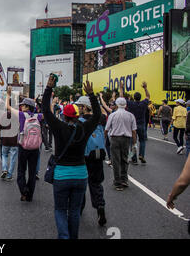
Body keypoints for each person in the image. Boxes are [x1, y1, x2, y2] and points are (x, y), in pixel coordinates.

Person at [42, 76, 101, 239]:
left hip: (61, 175)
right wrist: (91, 95)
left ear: (64, 116)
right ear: (77, 115)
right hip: (81, 174)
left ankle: (64, 237)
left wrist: (48, 88)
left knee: (60, 210)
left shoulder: (59, 126)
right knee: (74, 211)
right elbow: (97, 116)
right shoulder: (85, 127)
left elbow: (46, 111)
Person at [6, 87, 43, 202]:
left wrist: (8, 94)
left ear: (27, 107)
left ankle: (24, 190)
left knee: (21, 170)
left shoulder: (22, 115)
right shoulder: (38, 116)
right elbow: (49, 113)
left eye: (23, 105)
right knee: (32, 172)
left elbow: (7, 107)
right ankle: (30, 195)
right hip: (35, 148)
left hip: (23, 146)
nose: (21, 106)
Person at [75, 96, 107, 226]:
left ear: (84, 107)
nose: (78, 108)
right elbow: (104, 112)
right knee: (96, 184)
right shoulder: (99, 119)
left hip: (84, 156)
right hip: (98, 155)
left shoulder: (80, 122)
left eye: (80, 106)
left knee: (81, 184)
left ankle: (79, 208)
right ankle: (100, 206)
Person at [105, 97, 137, 191]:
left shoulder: (113, 115)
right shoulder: (130, 115)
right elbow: (134, 131)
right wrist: (134, 144)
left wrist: (103, 140)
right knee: (124, 159)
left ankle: (117, 182)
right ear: (125, 105)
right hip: (126, 139)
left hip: (115, 138)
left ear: (117, 105)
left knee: (116, 161)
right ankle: (124, 179)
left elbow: (106, 129)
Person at [120, 80, 150, 164]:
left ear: (134, 97)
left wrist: (121, 88)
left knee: (133, 142)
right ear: (140, 98)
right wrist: (145, 88)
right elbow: (148, 96)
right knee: (142, 140)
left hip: (132, 125)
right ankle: (142, 155)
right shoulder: (144, 103)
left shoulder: (131, 104)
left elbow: (121, 98)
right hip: (142, 124)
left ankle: (134, 158)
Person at [0, 104, 18, 181]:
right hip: (14, 140)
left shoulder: (3, 116)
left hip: (5, 140)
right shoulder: (17, 116)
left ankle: (4, 169)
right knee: (13, 158)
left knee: (4, 155)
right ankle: (9, 175)